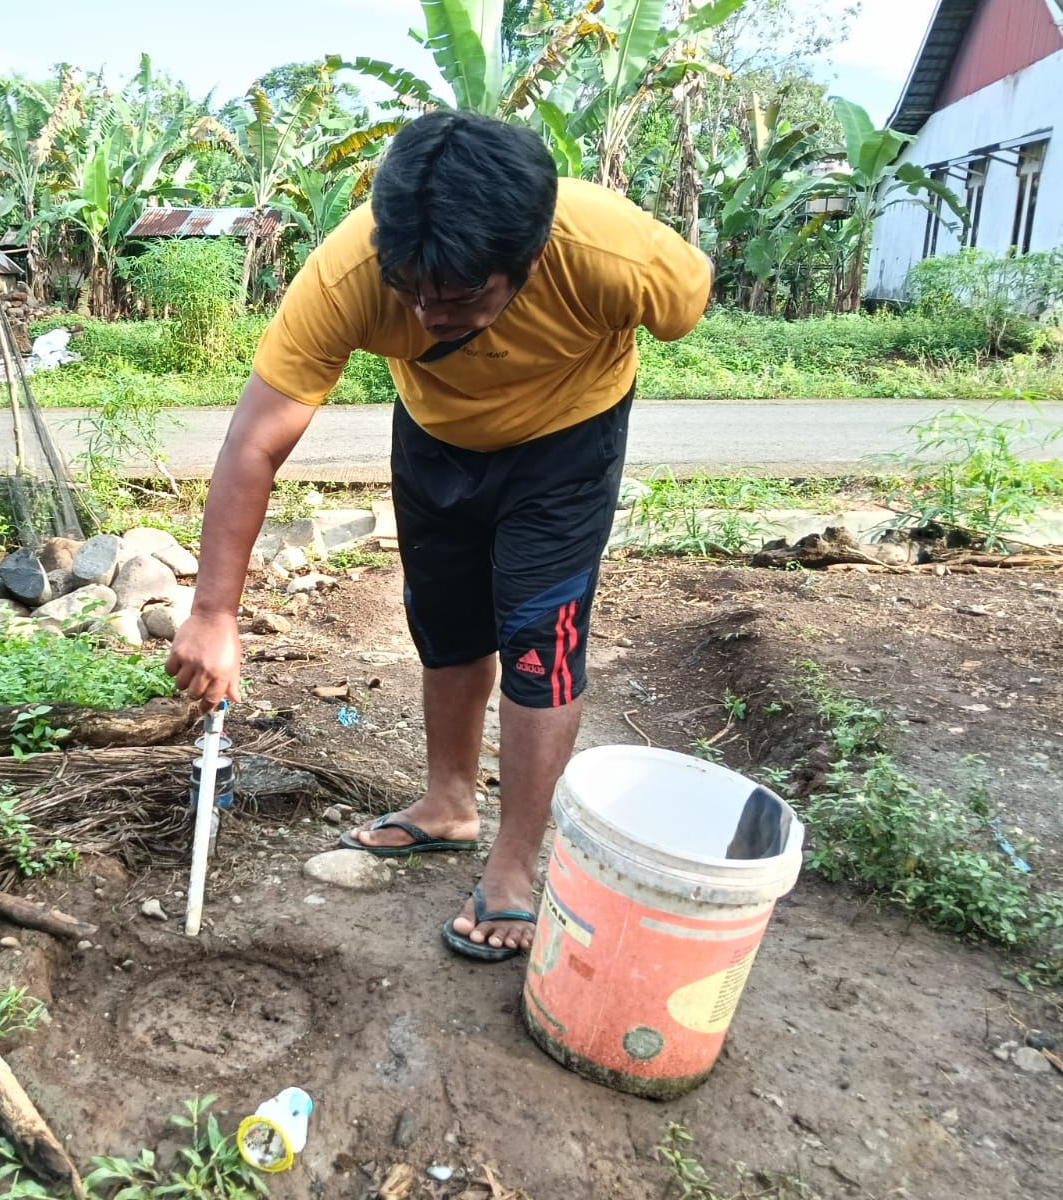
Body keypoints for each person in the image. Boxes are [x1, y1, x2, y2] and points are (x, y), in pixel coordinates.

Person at [165, 110, 712, 960]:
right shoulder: (350, 270)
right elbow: (256, 441)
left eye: (460, 299)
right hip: (438, 437)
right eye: (412, 292)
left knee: (539, 640)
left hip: (570, 438)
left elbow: (689, 295)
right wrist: (214, 612)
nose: (426, 318)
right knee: (446, 624)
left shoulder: (612, 251)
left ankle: (515, 865)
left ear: (526, 261)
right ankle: (450, 806)